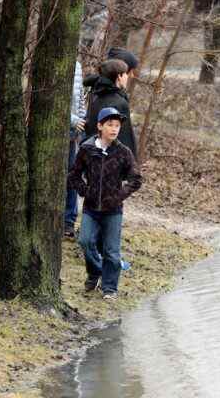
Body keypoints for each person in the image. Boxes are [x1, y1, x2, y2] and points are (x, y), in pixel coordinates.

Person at [68, 107, 142, 299]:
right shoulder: (87, 148)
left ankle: (109, 288)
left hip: (113, 210)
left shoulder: (123, 152)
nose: (114, 129)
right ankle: (95, 272)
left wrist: (118, 196)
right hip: (91, 209)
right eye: (110, 125)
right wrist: (85, 191)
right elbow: (74, 175)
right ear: (100, 126)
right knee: (85, 241)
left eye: (117, 125)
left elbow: (136, 180)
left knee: (111, 251)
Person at [84, 57, 137, 157]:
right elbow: (124, 138)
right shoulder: (119, 103)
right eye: (126, 73)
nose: (128, 76)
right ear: (119, 77)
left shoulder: (97, 96)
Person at [64, 59, 86, 239]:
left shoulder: (77, 65)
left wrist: (81, 120)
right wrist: (73, 119)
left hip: (72, 134)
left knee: (72, 176)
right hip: (56, 128)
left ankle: (68, 221)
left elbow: (79, 98)